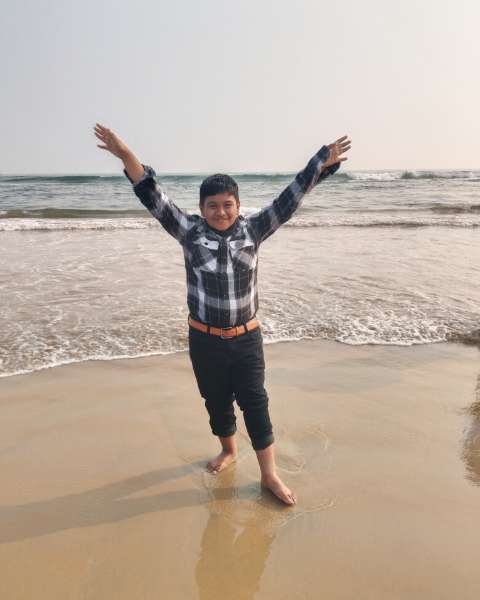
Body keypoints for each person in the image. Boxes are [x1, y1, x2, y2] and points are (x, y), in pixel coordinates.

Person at [94, 123, 351, 505]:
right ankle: (229, 450)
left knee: (255, 403)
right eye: (212, 206)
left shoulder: (255, 229)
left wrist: (319, 162)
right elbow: (150, 193)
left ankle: (269, 475)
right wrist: (124, 153)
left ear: (238, 205)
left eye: (227, 204)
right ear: (201, 209)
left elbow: (290, 197)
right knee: (215, 402)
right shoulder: (188, 232)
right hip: (204, 339)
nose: (221, 211)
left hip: (247, 339)